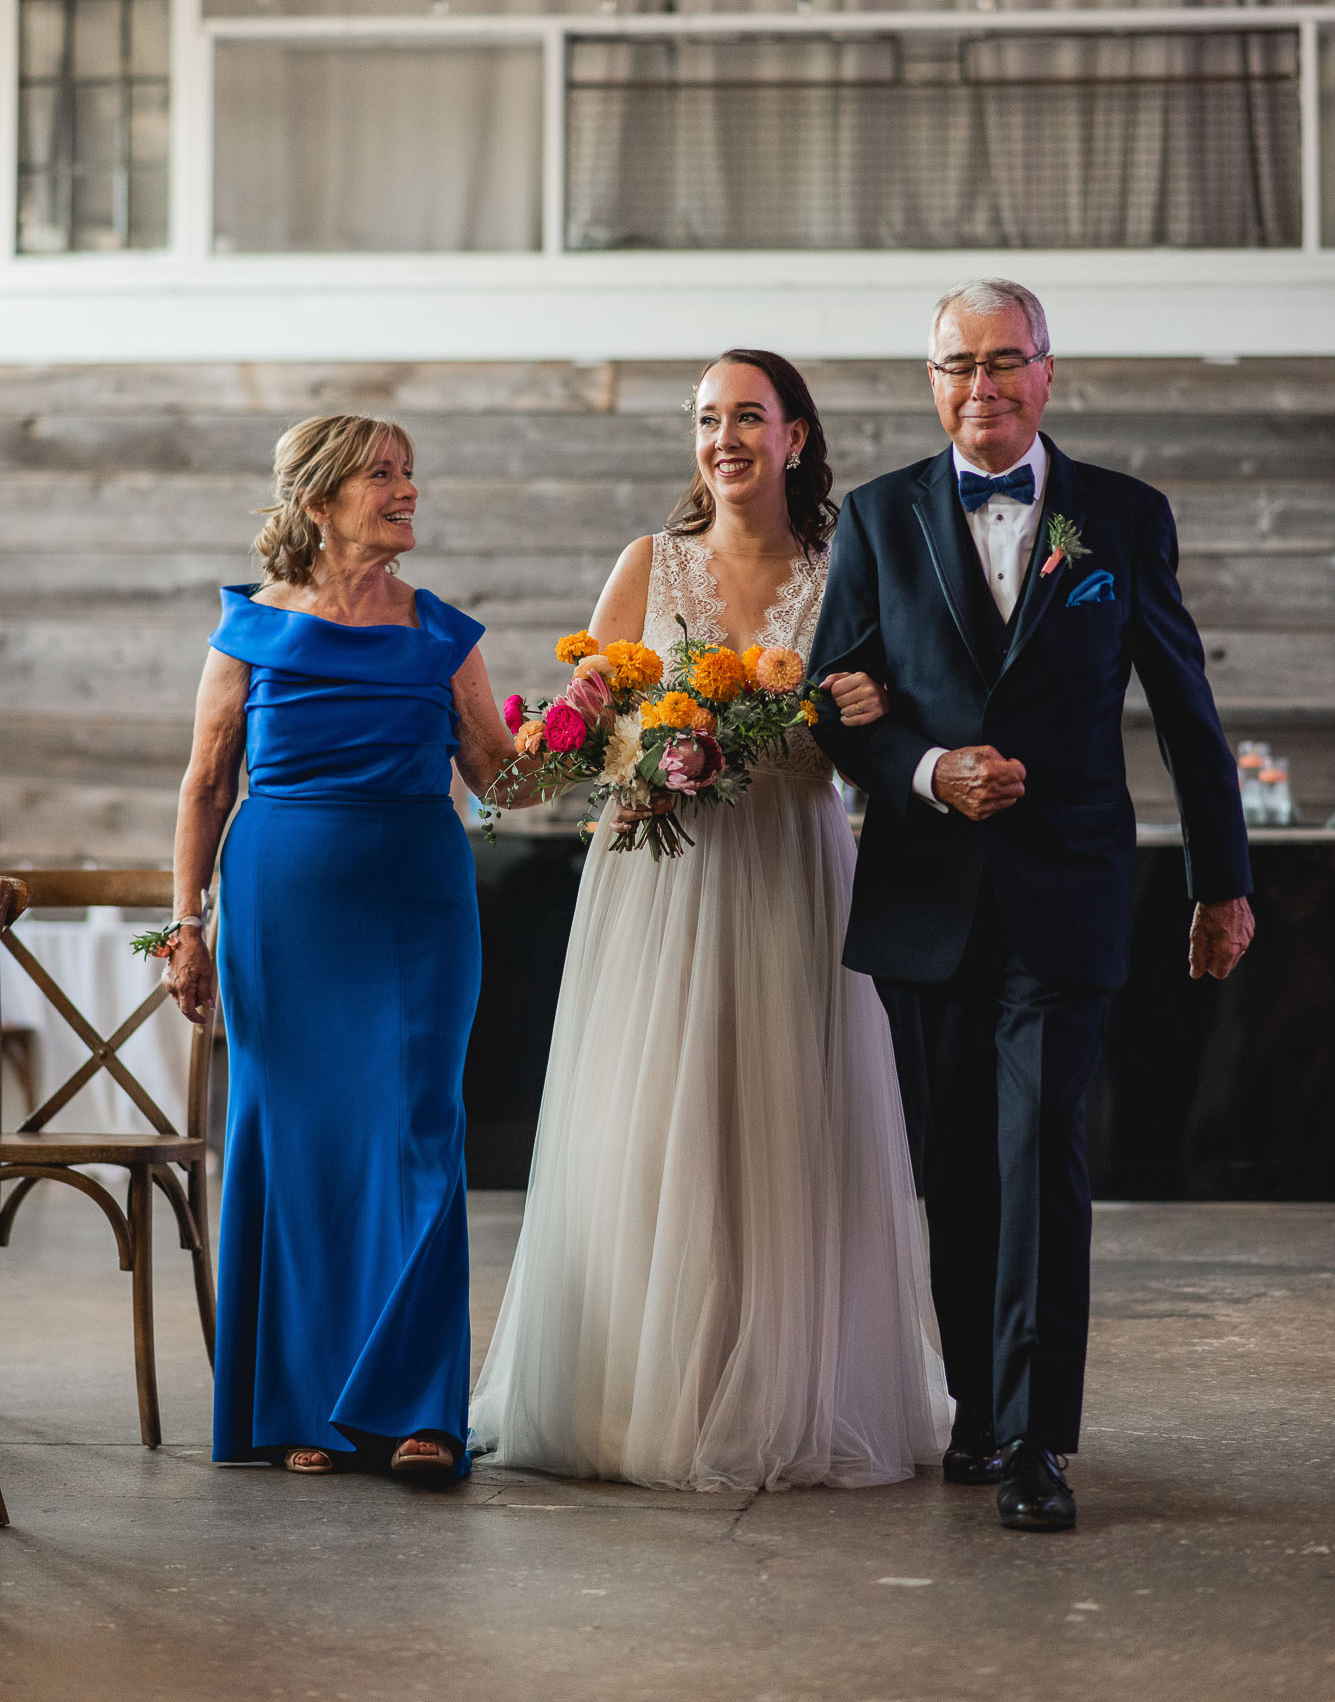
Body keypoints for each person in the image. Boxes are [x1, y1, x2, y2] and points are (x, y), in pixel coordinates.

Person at [809, 278, 1254, 1532]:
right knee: (956, 1167)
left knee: (1040, 1152)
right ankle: (977, 1410)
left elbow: (1187, 711)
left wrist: (1223, 880)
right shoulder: (879, 515)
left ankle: (1036, 1440)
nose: (983, 385)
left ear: (1048, 371)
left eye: (1006, 360)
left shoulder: (1122, 516)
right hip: (926, 896)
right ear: (931, 379)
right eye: (959, 364)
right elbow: (831, 703)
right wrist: (925, 770)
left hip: (1068, 891)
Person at [469, 350, 950, 1490]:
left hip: (790, 866)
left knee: (787, 1124)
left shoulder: (845, 569)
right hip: (659, 878)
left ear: (794, 436)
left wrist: (873, 703)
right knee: (653, 1126)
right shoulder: (650, 562)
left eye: (746, 416)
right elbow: (579, 731)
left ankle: (786, 1389)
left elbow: (882, 729)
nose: (722, 438)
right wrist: (567, 740)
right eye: (705, 419)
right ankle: (643, 1396)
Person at [163, 413, 528, 1485]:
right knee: (293, 1143)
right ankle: (300, 1404)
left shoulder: (442, 633)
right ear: (321, 499)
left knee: (417, 1133)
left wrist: (579, 731)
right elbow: (205, 785)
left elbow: (502, 781)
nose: (407, 489)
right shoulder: (248, 631)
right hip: (281, 911)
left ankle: (419, 1409)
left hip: (419, 906)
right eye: (383, 474)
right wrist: (187, 924)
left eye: (410, 471)